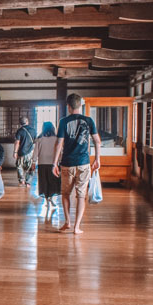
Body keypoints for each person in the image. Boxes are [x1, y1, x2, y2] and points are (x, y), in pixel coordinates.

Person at [53, 94, 101, 235]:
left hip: (67, 163)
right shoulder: (89, 120)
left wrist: (54, 163)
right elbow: (97, 141)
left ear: (68, 107)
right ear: (81, 105)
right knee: (81, 195)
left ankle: (67, 222)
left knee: (65, 194)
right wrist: (97, 159)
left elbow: (58, 143)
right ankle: (77, 227)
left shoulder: (63, 122)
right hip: (83, 163)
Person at [33, 121, 59, 213]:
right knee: (52, 181)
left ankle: (47, 200)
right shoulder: (56, 139)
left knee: (44, 181)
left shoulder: (40, 139)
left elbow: (35, 151)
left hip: (42, 163)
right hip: (53, 163)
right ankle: (50, 198)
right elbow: (60, 151)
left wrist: (33, 161)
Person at [12, 116, 36, 187]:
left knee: (19, 166)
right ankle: (28, 182)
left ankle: (22, 180)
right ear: (27, 122)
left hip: (21, 152)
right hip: (31, 152)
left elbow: (17, 142)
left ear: (20, 123)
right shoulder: (33, 130)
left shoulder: (20, 131)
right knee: (30, 167)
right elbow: (35, 142)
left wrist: (15, 152)